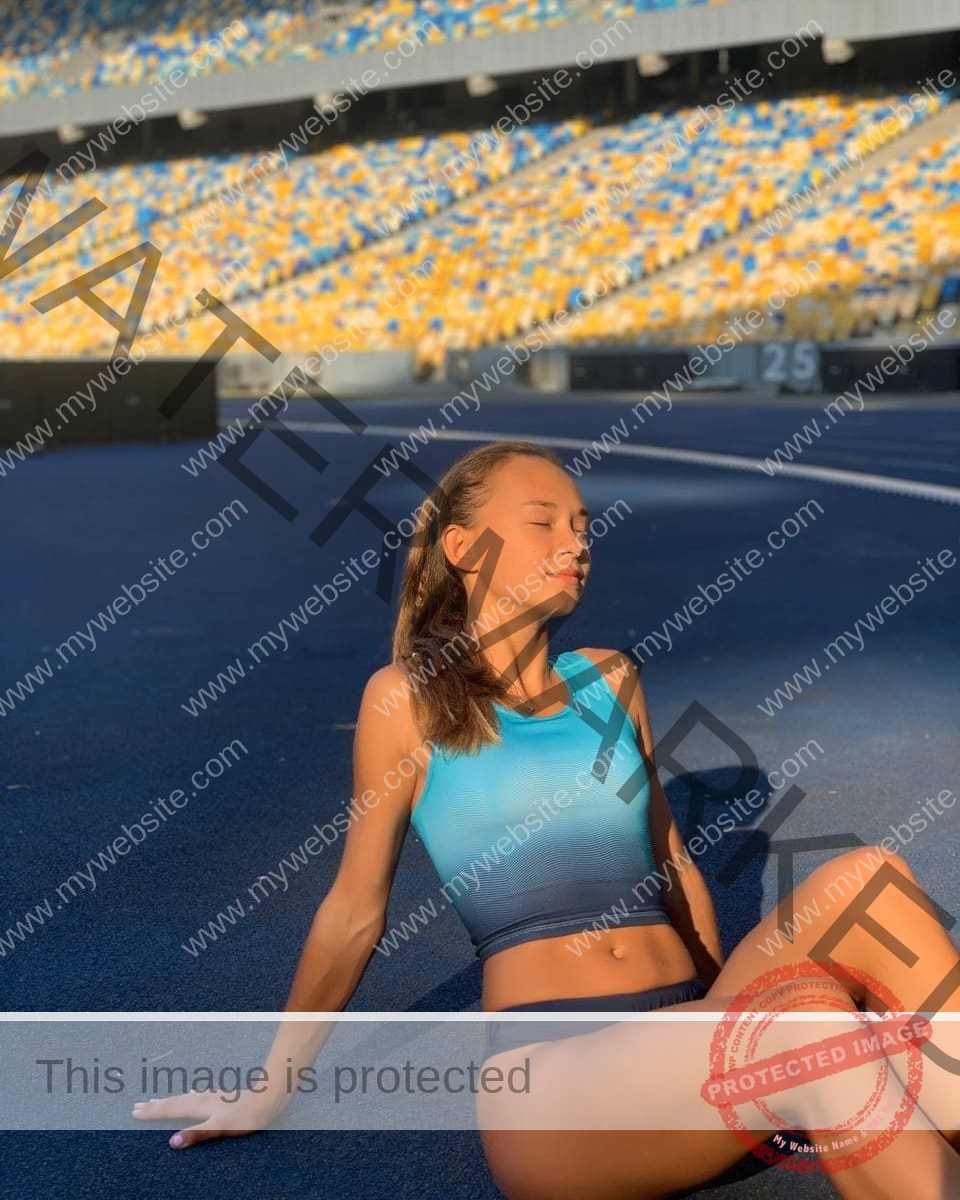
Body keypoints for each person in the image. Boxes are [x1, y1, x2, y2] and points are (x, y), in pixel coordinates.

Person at [136, 441, 960, 1197]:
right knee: (804, 1020)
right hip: (556, 1080)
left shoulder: (610, 678)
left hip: (683, 1032)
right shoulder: (405, 701)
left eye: (582, 525)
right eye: (544, 524)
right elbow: (354, 913)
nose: (577, 543)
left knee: (868, 881)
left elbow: (671, 861)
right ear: (462, 550)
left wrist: (716, 1017)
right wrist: (271, 1089)